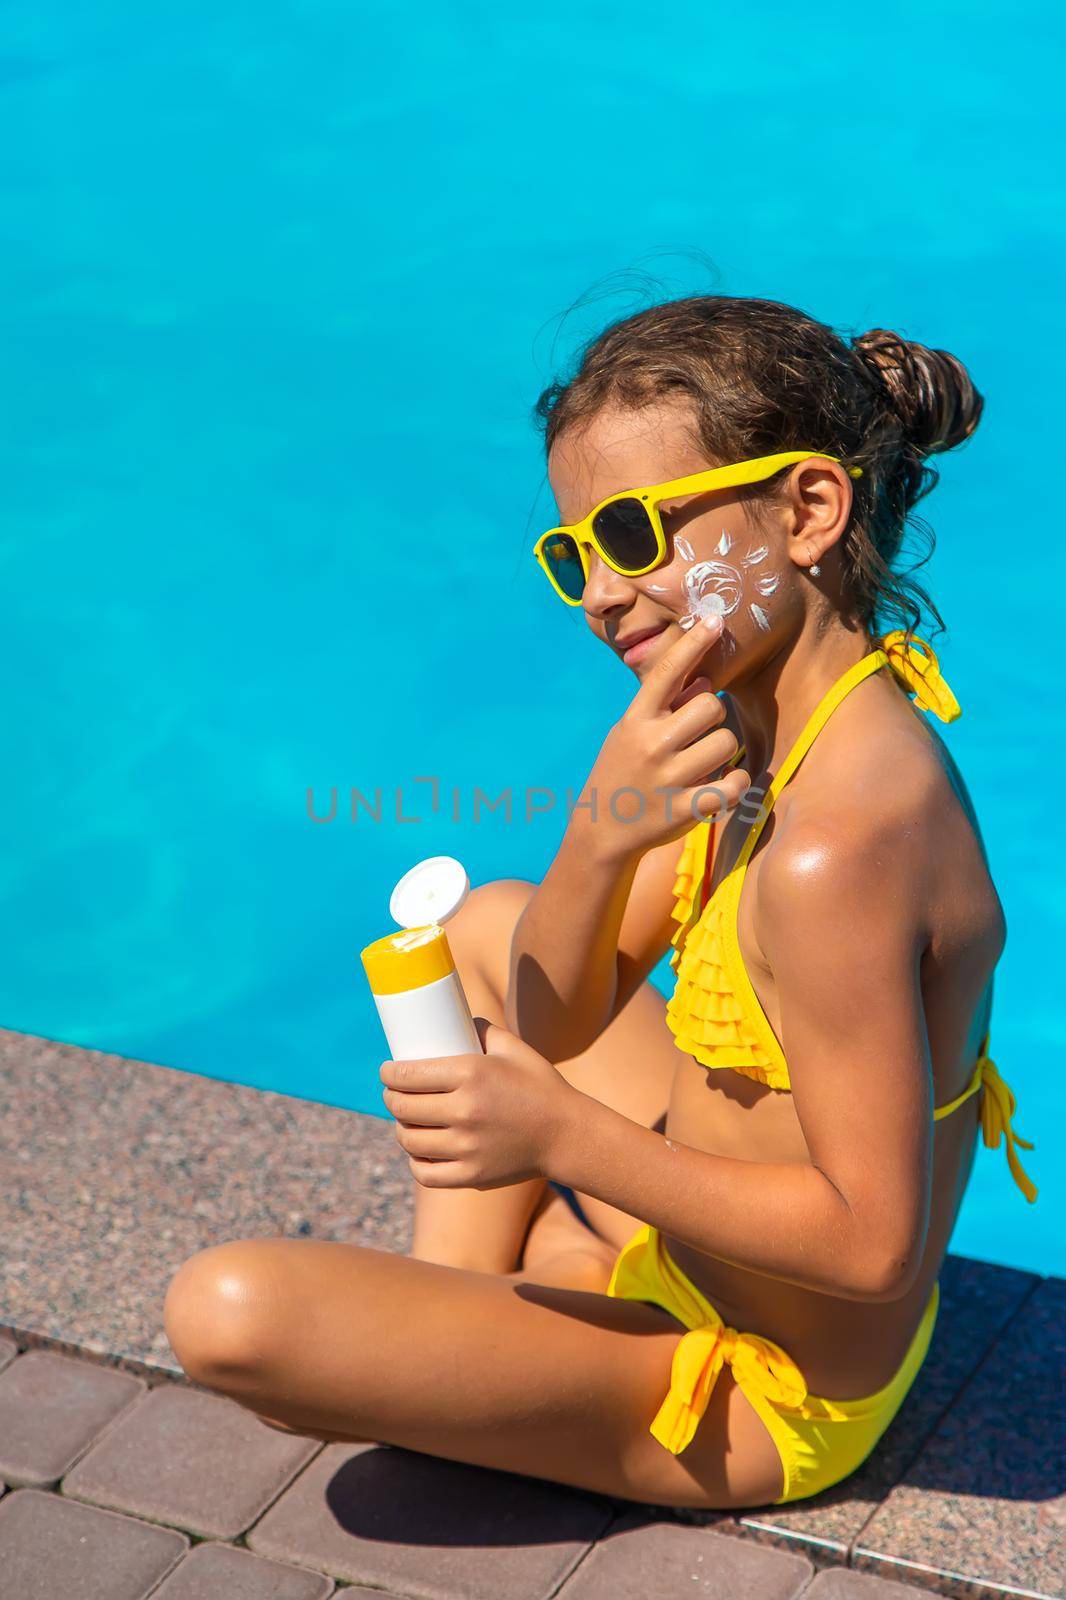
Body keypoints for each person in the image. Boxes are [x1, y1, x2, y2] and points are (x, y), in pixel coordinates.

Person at [163, 295, 1036, 1512]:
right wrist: (601, 824)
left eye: (634, 533)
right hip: (705, 1263)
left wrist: (561, 1141)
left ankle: (494, 1329)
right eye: (577, 551)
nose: (601, 593)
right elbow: (552, 1016)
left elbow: (874, 1246)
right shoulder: (752, 723)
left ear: (806, 511)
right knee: (483, 924)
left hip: (765, 1388)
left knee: (231, 1314)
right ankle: (486, 1313)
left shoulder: (837, 851)